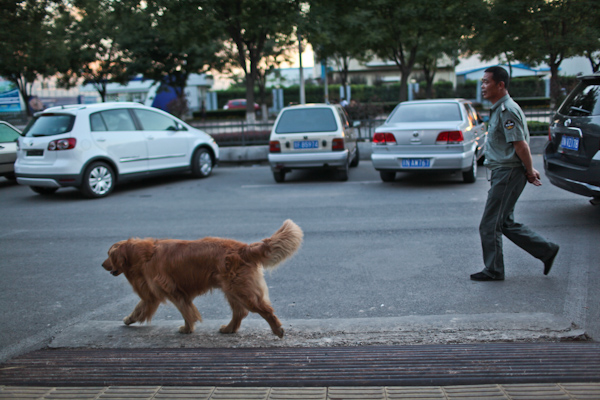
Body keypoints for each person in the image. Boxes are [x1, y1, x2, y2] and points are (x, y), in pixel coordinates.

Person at [471, 66, 559, 281]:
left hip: (507, 173)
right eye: (482, 82)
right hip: (506, 171)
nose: (482, 86)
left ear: (500, 85)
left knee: (490, 224)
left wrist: (529, 171)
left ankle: (494, 270)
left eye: (486, 82)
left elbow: (521, 146)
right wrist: (527, 169)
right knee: (505, 223)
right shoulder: (500, 109)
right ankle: (546, 250)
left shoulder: (507, 110)